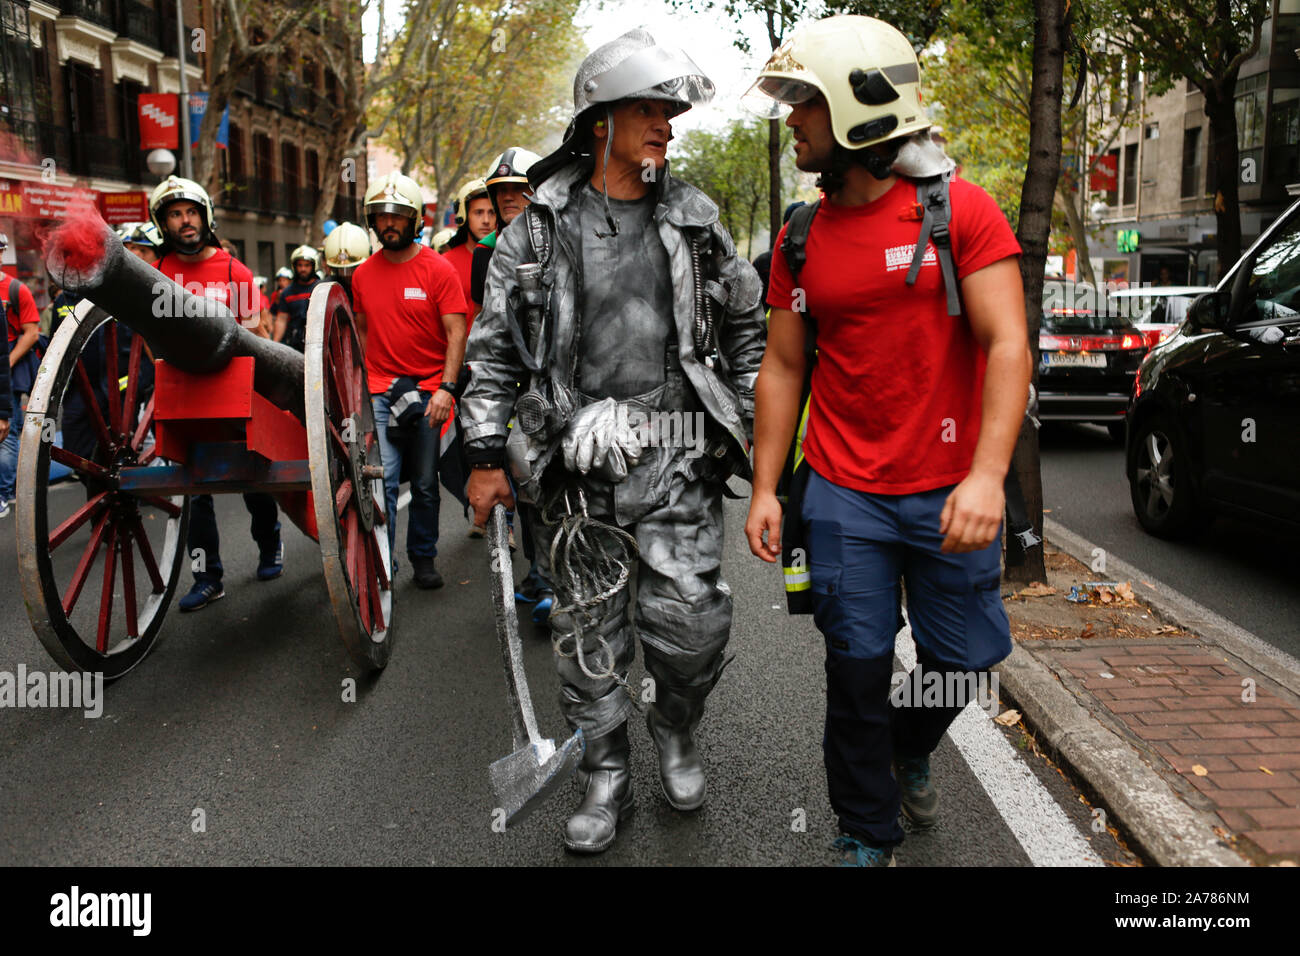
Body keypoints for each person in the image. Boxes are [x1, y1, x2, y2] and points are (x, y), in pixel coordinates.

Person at [462, 29, 766, 854]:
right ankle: (607, 774)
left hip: (676, 460)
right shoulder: (535, 230)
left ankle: (675, 725)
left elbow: (748, 332)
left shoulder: (697, 224)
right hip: (572, 472)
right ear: (601, 121)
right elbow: (490, 352)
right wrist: (487, 456)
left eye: (670, 110)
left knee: (694, 626)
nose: (668, 124)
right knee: (588, 637)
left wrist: (736, 427)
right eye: (650, 109)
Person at [742, 15, 1030, 867]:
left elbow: (1009, 343)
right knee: (857, 670)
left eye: (804, 102)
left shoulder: (961, 213)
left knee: (964, 658)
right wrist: (765, 489)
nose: (791, 119)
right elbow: (783, 367)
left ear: (859, 111)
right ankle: (867, 828)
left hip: (951, 490)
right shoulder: (800, 236)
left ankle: (913, 744)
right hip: (842, 489)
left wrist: (986, 477)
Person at [150, 175, 287, 611]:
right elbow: (153, 338)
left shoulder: (234, 270)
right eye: (175, 214)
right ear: (164, 223)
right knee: (194, 492)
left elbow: (258, 334)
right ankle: (207, 577)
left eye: (190, 212)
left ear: (204, 217)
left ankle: (270, 544)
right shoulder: (159, 273)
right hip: (184, 392)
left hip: (235, 389)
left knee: (254, 481)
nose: (185, 221)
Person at [352, 171, 468, 590]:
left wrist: (445, 389)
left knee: (423, 484)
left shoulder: (438, 270)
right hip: (380, 392)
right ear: (372, 221)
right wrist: (358, 391)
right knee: (381, 482)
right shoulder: (362, 275)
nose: (389, 223)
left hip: (428, 393)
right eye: (382, 216)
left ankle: (423, 558)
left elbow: (457, 334)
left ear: (415, 219)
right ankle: (383, 559)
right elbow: (362, 334)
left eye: (398, 215)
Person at [469, 147, 542, 309]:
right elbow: (480, 314)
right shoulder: (484, 250)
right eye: (502, 190)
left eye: (517, 188)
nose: (508, 197)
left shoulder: (560, 243)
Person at [0, 236, 40, 517]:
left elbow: (31, 332)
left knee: (7, 430)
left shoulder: (16, 289)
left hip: (7, 370)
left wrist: (7, 363)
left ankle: (3, 492)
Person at [441, 178, 495, 324]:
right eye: (478, 212)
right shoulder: (444, 264)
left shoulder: (510, 258)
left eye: (492, 212)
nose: (486, 220)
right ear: (464, 216)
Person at [271, 245, 322, 352]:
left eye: (307, 265)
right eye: (300, 265)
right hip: (296, 343)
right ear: (295, 267)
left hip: (320, 341)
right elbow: (281, 320)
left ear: (313, 266)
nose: (303, 269)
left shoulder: (322, 288)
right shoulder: (287, 292)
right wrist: (274, 345)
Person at [322, 221, 371, 303]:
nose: (348, 275)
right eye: (342, 270)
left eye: (353, 268)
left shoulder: (377, 285)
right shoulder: (325, 290)